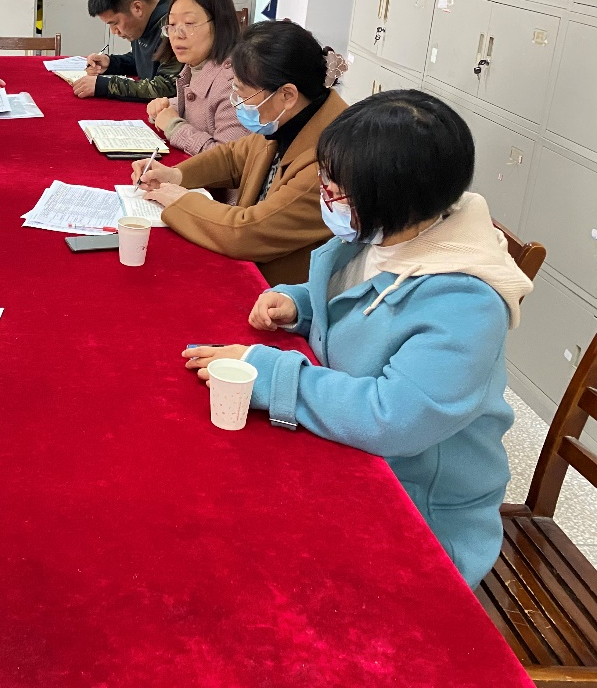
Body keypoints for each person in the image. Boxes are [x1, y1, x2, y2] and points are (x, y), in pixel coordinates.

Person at [183, 90, 532, 588]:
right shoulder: (385, 233)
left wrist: (270, 372)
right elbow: (358, 300)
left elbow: (392, 419)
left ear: (393, 196)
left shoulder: (465, 303)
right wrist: (302, 305)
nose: (326, 195)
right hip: (354, 451)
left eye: (338, 188)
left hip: (418, 512)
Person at [133, 20, 349, 285]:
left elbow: (248, 233)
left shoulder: (330, 161)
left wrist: (180, 200)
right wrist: (176, 175)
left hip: (281, 291)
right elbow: (234, 156)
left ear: (287, 95)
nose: (237, 103)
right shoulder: (291, 116)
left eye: (243, 94)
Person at [143, 0, 246, 157]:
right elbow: (199, 107)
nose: (177, 35)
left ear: (219, 24)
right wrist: (167, 107)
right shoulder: (196, 66)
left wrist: (174, 127)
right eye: (172, 25)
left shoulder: (234, 83)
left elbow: (227, 159)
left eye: (189, 24)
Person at [73, 0, 179, 101]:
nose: (114, 31)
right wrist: (111, 63)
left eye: (115, 23)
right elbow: (144, 61)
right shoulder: (146, 18)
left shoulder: (174, 25)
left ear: (137, 8)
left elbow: (167, 86)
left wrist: (106, 86)